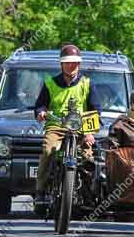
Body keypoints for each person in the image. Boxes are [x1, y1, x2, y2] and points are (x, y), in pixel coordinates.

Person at [34, 44, 101, 204]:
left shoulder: (87, 83)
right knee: (48, 151)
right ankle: (40, 191)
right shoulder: (50, 83)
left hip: (80, 127)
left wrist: (90, 132)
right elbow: (40, 105)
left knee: (88, 158)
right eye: (68, 62)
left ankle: (89, 193)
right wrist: (41, 112)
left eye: (75, 62)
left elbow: (95, 109)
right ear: (61, 64)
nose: (72, 65)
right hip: (56, 126)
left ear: (79, 64)